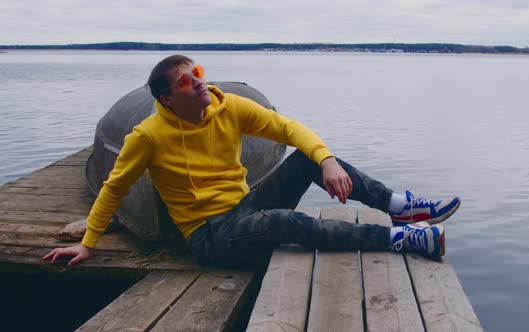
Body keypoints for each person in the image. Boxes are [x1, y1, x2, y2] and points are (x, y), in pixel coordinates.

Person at [43, 55, 461, 268]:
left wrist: (328, 160)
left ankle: (400, 208)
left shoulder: (229, 108)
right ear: (168, 99)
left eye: (198, 71)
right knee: (283, 222)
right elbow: (113, 186)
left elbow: (289, 128)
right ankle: (399, 240)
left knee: (304, 160)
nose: (200, 81)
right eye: (187, 81)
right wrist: (87, 242)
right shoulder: (148, 136)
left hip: (242, 206)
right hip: (208, 236)